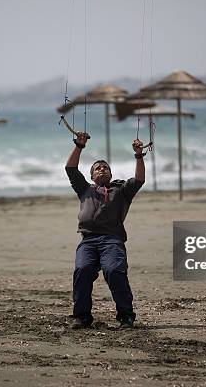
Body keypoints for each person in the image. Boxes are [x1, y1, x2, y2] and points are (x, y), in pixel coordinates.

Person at [65, 131, 145, 329]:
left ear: (110, 174)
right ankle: (82, 317)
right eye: (97, 168)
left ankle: (126, 315)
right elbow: (70, 168)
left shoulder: (121, 190)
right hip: (88, 240)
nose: (101, 170)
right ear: (92, 176)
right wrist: (79, 146)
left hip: (112, 240)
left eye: (105, 168)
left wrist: (138, 155)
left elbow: (139, 179)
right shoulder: (85, 189)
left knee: (114, 271)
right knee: (82, 270)